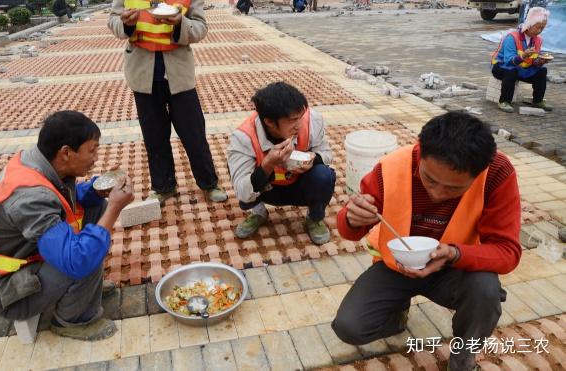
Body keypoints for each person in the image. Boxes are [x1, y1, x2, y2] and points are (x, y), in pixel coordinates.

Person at [331, 112, 521, 371]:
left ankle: (463, 356)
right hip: (397, 267)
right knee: (349, 327)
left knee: (485, 291)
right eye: (429, 179)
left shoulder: (497, 172)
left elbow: (507, 251)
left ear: (478, 173)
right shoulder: (392, 167)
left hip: (456, 268)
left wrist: (454, 254)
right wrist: (352, 218)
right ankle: (397, 315)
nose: (437, 193)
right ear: (421, 153)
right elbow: (348, 230)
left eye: (454, 188)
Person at [0, 111, 134, 341]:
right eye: (92, 150)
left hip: (24, 261)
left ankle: (84, 292)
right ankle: (73, 320)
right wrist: (114, 209)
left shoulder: (39, 162)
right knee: (85, 256)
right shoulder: (30, 198)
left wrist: (94, 191)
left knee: (95, 207)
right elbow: (77, 259)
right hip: (4, 293)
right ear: (66, 152)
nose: (96, 157)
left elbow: (61, 197)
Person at [108, 0, 228, 205]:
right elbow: (113, 21)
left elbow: (200, 28)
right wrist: (127, 24)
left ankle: (209, 183)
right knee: (154, 135)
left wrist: (181, 21)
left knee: (194, 133)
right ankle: (163, 187)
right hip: (142, 73)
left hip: (179, 74)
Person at [227, 82, 336, 245]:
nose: (299, 125)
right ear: (269, 122)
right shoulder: (243, 138)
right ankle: (258, 213)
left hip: (300, 184)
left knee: (324, 175)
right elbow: (242, 191)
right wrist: (267, 165)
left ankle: (314, 218)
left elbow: (327, 153)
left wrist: (314, 158)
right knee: (240, 175)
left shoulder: (312, 120)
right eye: (293, 120)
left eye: (300, 116)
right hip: (268, 190)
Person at [491, 7, 552, 113]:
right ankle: (504, 101)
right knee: (511, 70)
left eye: (542, 28)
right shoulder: (512, 37)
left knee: (542, 71)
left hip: (522, 68)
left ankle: (537, 101)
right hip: (501, 66)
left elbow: (533, 62)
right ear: (529, 24)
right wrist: (523, 56)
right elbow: (509, 62)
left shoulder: (538, 40)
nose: (540, 31)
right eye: (538, 27)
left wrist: (540, 62)